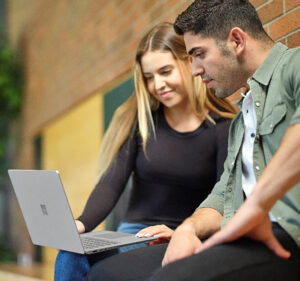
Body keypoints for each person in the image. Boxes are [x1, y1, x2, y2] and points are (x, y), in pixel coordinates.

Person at [86, 1, 300, 281]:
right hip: (239, 237)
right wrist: (188, 229)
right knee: (105, 274)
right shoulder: (240, 120)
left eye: (199, 54)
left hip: (286, 235)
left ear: (236, 40)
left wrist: (256, 206)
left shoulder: (294, 65)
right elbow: (222, 195)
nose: (196, 70)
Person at [54, 22, 236, 281]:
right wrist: (79, 225)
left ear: (188, 63)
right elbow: (111, 183)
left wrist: (187, 231)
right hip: (132, 234)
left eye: (165, 71)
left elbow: (224, 201)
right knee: (70, 253)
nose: (158, 84)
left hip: (181, 235)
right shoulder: (140, 121)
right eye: (149, 77)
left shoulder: (223, 127)